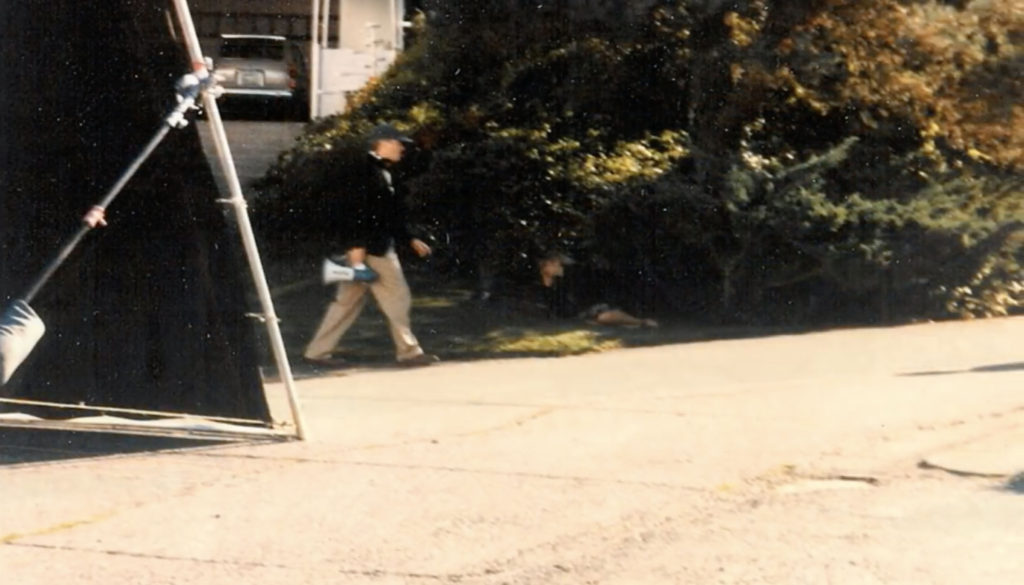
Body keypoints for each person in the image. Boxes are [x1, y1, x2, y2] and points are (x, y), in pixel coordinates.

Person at [303, 123, 439, 368]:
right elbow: (356, 214)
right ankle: (409, 352)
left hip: (366, 248)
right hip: (373, 250)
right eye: (398, 143)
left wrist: (408, 239)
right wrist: (357, 250)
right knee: (398, 297)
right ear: (383, 143)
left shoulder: (378, 171)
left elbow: (387, 214)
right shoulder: (366, 172)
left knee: (346, 302)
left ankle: (317, 352)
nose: (401, 148)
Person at [537, 253, 658, 328]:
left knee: (603, 316)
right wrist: (546, 280)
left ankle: (640, 322)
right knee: (599, 318)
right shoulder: (554, 282)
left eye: (545, 265)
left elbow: (588, 292)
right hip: (582, 311)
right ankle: (633, 323)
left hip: (595, 305)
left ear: (556, 262)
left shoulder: (575, 273)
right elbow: (553, 306)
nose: (544, 269)